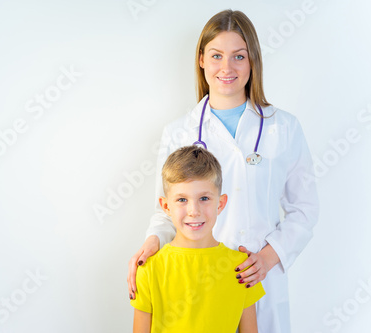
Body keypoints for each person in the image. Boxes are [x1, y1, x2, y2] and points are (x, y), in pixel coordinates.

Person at [128, 9, 319, 333]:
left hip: (259, 278)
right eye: (216, 55)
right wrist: (151, 243)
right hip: (197, 281)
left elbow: (305, 208)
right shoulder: (179, 131)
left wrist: (269, 258)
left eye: (238, 56)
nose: (227, 67)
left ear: (252, 61)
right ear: (201, 60)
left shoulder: (283, 127)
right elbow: (165, 209)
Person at [130, 145, 265, 333]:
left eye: (204, 198)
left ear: (221, 203)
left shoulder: (242, 268)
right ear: (166, 206)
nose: (194, 211)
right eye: (182, 200)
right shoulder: (149, 269)